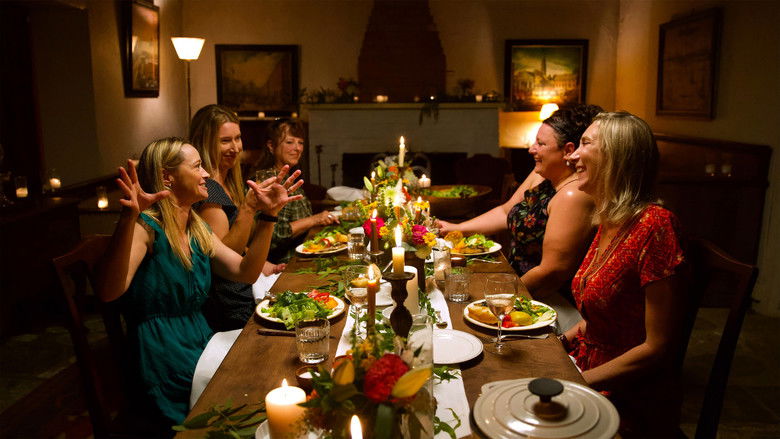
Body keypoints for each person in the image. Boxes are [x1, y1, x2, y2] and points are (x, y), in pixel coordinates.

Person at [95, 137, 302, 427]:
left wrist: (268, 217)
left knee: (269, 370)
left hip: (202, 339)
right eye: (196, 167)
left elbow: (245, 272)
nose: (206, 174)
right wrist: (128, 219)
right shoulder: (147, 227)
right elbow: (108, 292)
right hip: (163, 353)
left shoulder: (196, 227)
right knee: (250, 395)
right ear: (167, 177)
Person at [561, 112, 685, 436]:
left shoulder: (654, 225)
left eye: (585, 143)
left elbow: (656, 347)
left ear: (616, 156)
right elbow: (601, 316)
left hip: (629, 394)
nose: (572, 155)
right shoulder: (610, 220)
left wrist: (577, 382)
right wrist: (559, 342)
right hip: (588, 368)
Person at [438, 104, 602, 331]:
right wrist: (455, 227)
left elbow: (550, 273)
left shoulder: (573, 195)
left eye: (541, 144)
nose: (531, 149)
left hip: (547, 301)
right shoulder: (542, 174)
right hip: (515, 283)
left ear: (567, 150)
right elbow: (505, 212)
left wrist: (498, 299)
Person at [189, 104, 285, 331]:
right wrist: (249, 210)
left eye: (238, 138)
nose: (235, 147)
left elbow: (240, 246)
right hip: (229, 303)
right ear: (204, 143)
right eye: (225, 141)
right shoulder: (209, 190)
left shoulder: (230, 182)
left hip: (246, 287)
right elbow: (223, 257)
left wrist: (264, 265)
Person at [251, 118, 338, 263]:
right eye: (290, 142)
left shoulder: (289, 177)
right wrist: (315, 219)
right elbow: (274, 234)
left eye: (300, 143)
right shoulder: (270, 181)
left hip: (305, 253)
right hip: (286, 263)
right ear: (271, 146)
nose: (297, 148)